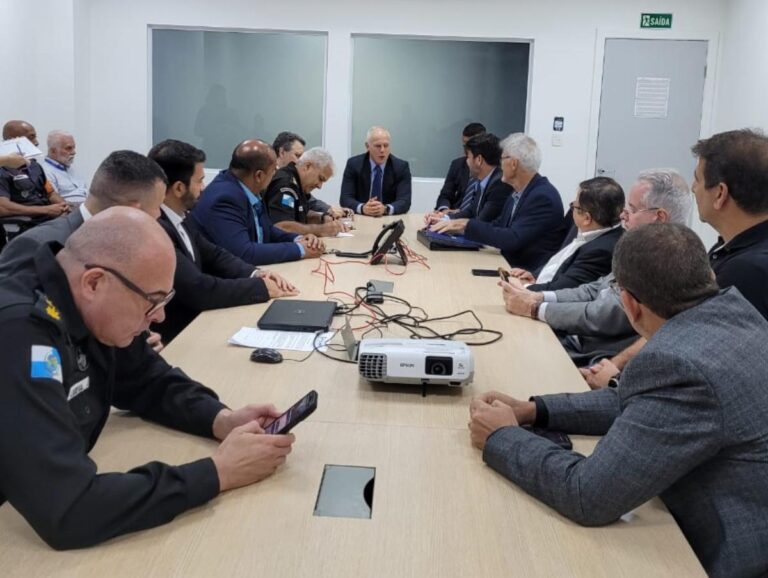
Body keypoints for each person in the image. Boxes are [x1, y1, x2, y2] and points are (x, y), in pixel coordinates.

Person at [468, 223, 768, 577]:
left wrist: (501, 436)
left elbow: (588, 496)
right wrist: (535, 410)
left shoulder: (680, 362)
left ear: (628, 303)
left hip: (720, 557)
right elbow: (638, 404)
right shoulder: (738, 315)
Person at [0, 207, 296, 550]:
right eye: (152, 301)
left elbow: (145, 380)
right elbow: (70, 508)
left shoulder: (82, 301)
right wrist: (218, 472)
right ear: (94, 282)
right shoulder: (19, 332)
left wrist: (221, 419)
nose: (160, 316)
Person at [584, 129, 768, 389]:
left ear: (720, 194)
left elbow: (694, 352)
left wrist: (616, 380)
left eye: (697, 179)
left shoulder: (748, 271)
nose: (693, 188)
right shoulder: (729, 248)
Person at [500, 169, 690, 366]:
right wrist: (539, 297)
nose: (623, 216)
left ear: (659, 217)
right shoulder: (641, 247)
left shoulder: (666, 261)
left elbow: (602, 315)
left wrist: (534, 308)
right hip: (578, 340)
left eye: (632, 210)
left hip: (594, 357)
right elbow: (596, 288)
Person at [0, 149, 169, 351]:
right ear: (133, 209)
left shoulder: (125, 245)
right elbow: (18, 337)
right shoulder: (36, 246)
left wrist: (139, 340)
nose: (159, 215)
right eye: (159, 206)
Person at [148, 139, 299, 342]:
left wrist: (255, 273)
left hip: (198, 323)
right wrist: (260, 288)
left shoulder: (182, 216)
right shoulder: (156, 229)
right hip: (178, 336)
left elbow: (214, 254)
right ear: (178, 188)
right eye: (199, 181)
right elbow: (197, 288)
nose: (204, 188)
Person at [430, 133, 564, 271]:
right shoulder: (519, 191)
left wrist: (466, 225)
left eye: (502, 159)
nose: (499, 164)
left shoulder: (542, 197)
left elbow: (512, 238)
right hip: (506, 263)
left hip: (523, 273)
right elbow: (498, 225)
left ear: (513, 163)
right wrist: (458, 229)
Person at [189, 139, 324, 266]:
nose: (275, 174)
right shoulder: (225, 198)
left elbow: (268, 230)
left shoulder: (248, 189)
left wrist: (299, 239)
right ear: (259, 176)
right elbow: (244, 253)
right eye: (273, 171)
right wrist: (299, 249)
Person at [508, 177, 624, 291]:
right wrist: (535, 276)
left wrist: (523, 287)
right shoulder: (585, 228)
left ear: (587, 218)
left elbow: (561, 290)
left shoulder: (601, 251)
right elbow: (560, 260)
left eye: (574, 206)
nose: (572, 206)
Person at [425, 132, 512, 225]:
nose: (466, 161)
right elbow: (471, 212)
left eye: (468, 157)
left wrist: (451, 225)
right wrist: (444, 218)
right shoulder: (484, 180)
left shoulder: (499, 184)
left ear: (479, 160)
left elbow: (481, 223)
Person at [264, 147, 350, 237]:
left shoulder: (299, 184)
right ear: (307, 166)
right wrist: (321, 229)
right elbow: (281, 227)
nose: (320, 186)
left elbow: (299, 214)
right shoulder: (286, 184)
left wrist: (322, 218)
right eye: (320, 179)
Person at [0, 120, 69, 222]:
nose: (36, 142)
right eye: (31, 137)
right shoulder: (2, 169)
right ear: (13, 140)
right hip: (28, 222)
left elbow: (51, 193)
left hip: (49, 218)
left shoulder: (34, 166)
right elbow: (3, 208)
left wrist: (64, 206)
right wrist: (45, 210)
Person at [339, 126, 412, 216]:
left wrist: (385, 209)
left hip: (388, 219)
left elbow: (405, 201)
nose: (382, 150)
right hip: (362, 218)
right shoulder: (354, 164)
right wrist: (363, 208)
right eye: (378, 146)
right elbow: (345, 198)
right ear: (367, 146)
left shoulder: (401, 167)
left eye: (386, 145)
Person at [433, 122, 486, 211]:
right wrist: (445, 210)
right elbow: (445, 195)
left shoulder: (492, 170)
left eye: (469, 146)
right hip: (451, 217)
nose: (465, 150)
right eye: (464, 145)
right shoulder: (457, 165)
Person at [42, 130, 88, 205]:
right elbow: (54, 201)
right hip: (70, 212)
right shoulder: (45, 171)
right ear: (53, 151)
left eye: (74, 148)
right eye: (68, 148)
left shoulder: (71, 167)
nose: (74, 152)